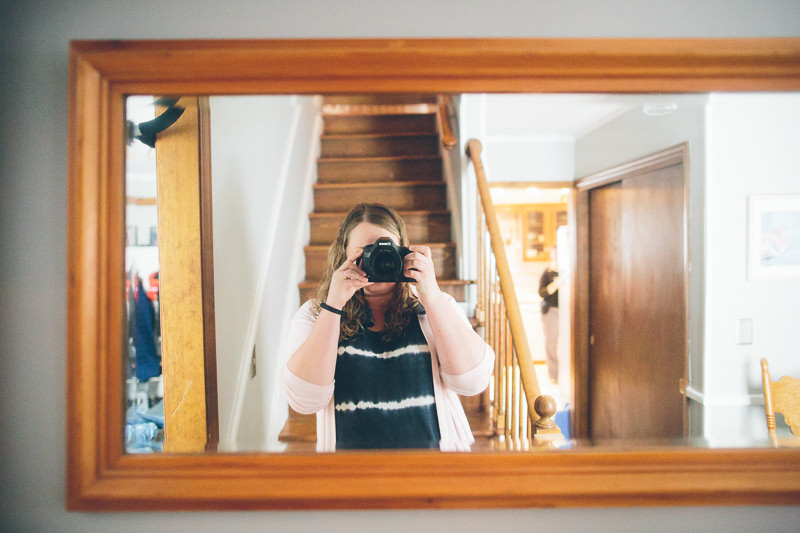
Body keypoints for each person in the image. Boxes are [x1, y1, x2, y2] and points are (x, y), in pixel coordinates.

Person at [280, 203, 494, 452]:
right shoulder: (317, 314)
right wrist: (334, 306)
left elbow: (473, 382)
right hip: (348, 474)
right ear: (343, 255)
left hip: (436, 472)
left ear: (403, 252)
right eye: (364, 252)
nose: (378, 260)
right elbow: (305, 400)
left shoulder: (434, 306)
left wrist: (431, 295)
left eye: (387, 251)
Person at [538, 246, 560, 384]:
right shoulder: (547, 272)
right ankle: (554, 375)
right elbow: (541, 292)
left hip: (566, 311)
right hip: (551, 311)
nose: (557, 255)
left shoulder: (568, 270)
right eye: (555, 253)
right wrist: (554, 285)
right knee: (551, 343)